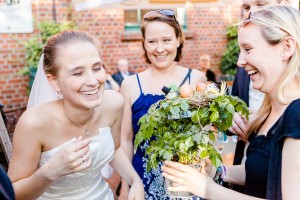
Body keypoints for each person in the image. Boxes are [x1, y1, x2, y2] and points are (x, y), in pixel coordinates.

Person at [162, 6, 300, 199]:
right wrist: (217, 172)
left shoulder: (297, 113)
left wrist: (208, 189)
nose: (240, 62)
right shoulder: (270, 109)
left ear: (287, 47)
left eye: (248, 49)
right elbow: (264, 172)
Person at [8, 30, 144, 199]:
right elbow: (12, 193)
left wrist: (135, 180)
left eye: (96, 68)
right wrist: (50, 172)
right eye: (78, 73)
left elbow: (115, 149)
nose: (93, 81)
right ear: (54, 82)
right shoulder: (33, 123)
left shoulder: (114, 103)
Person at [119, 9, 206, 199]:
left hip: (185, 182)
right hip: (143, 181)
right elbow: (125, 140)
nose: (159, 49)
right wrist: (126, 186)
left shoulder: (196, 79)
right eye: (152, 41)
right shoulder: (130, 85)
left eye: (166, 40)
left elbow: (205, 133)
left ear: (178, 39)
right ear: (144, 43)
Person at [228, 0, 291, 192]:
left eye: (261, 4)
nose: (251, 13)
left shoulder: (294, 112)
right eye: (246, 8)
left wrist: (208, 189)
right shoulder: (248, 72)